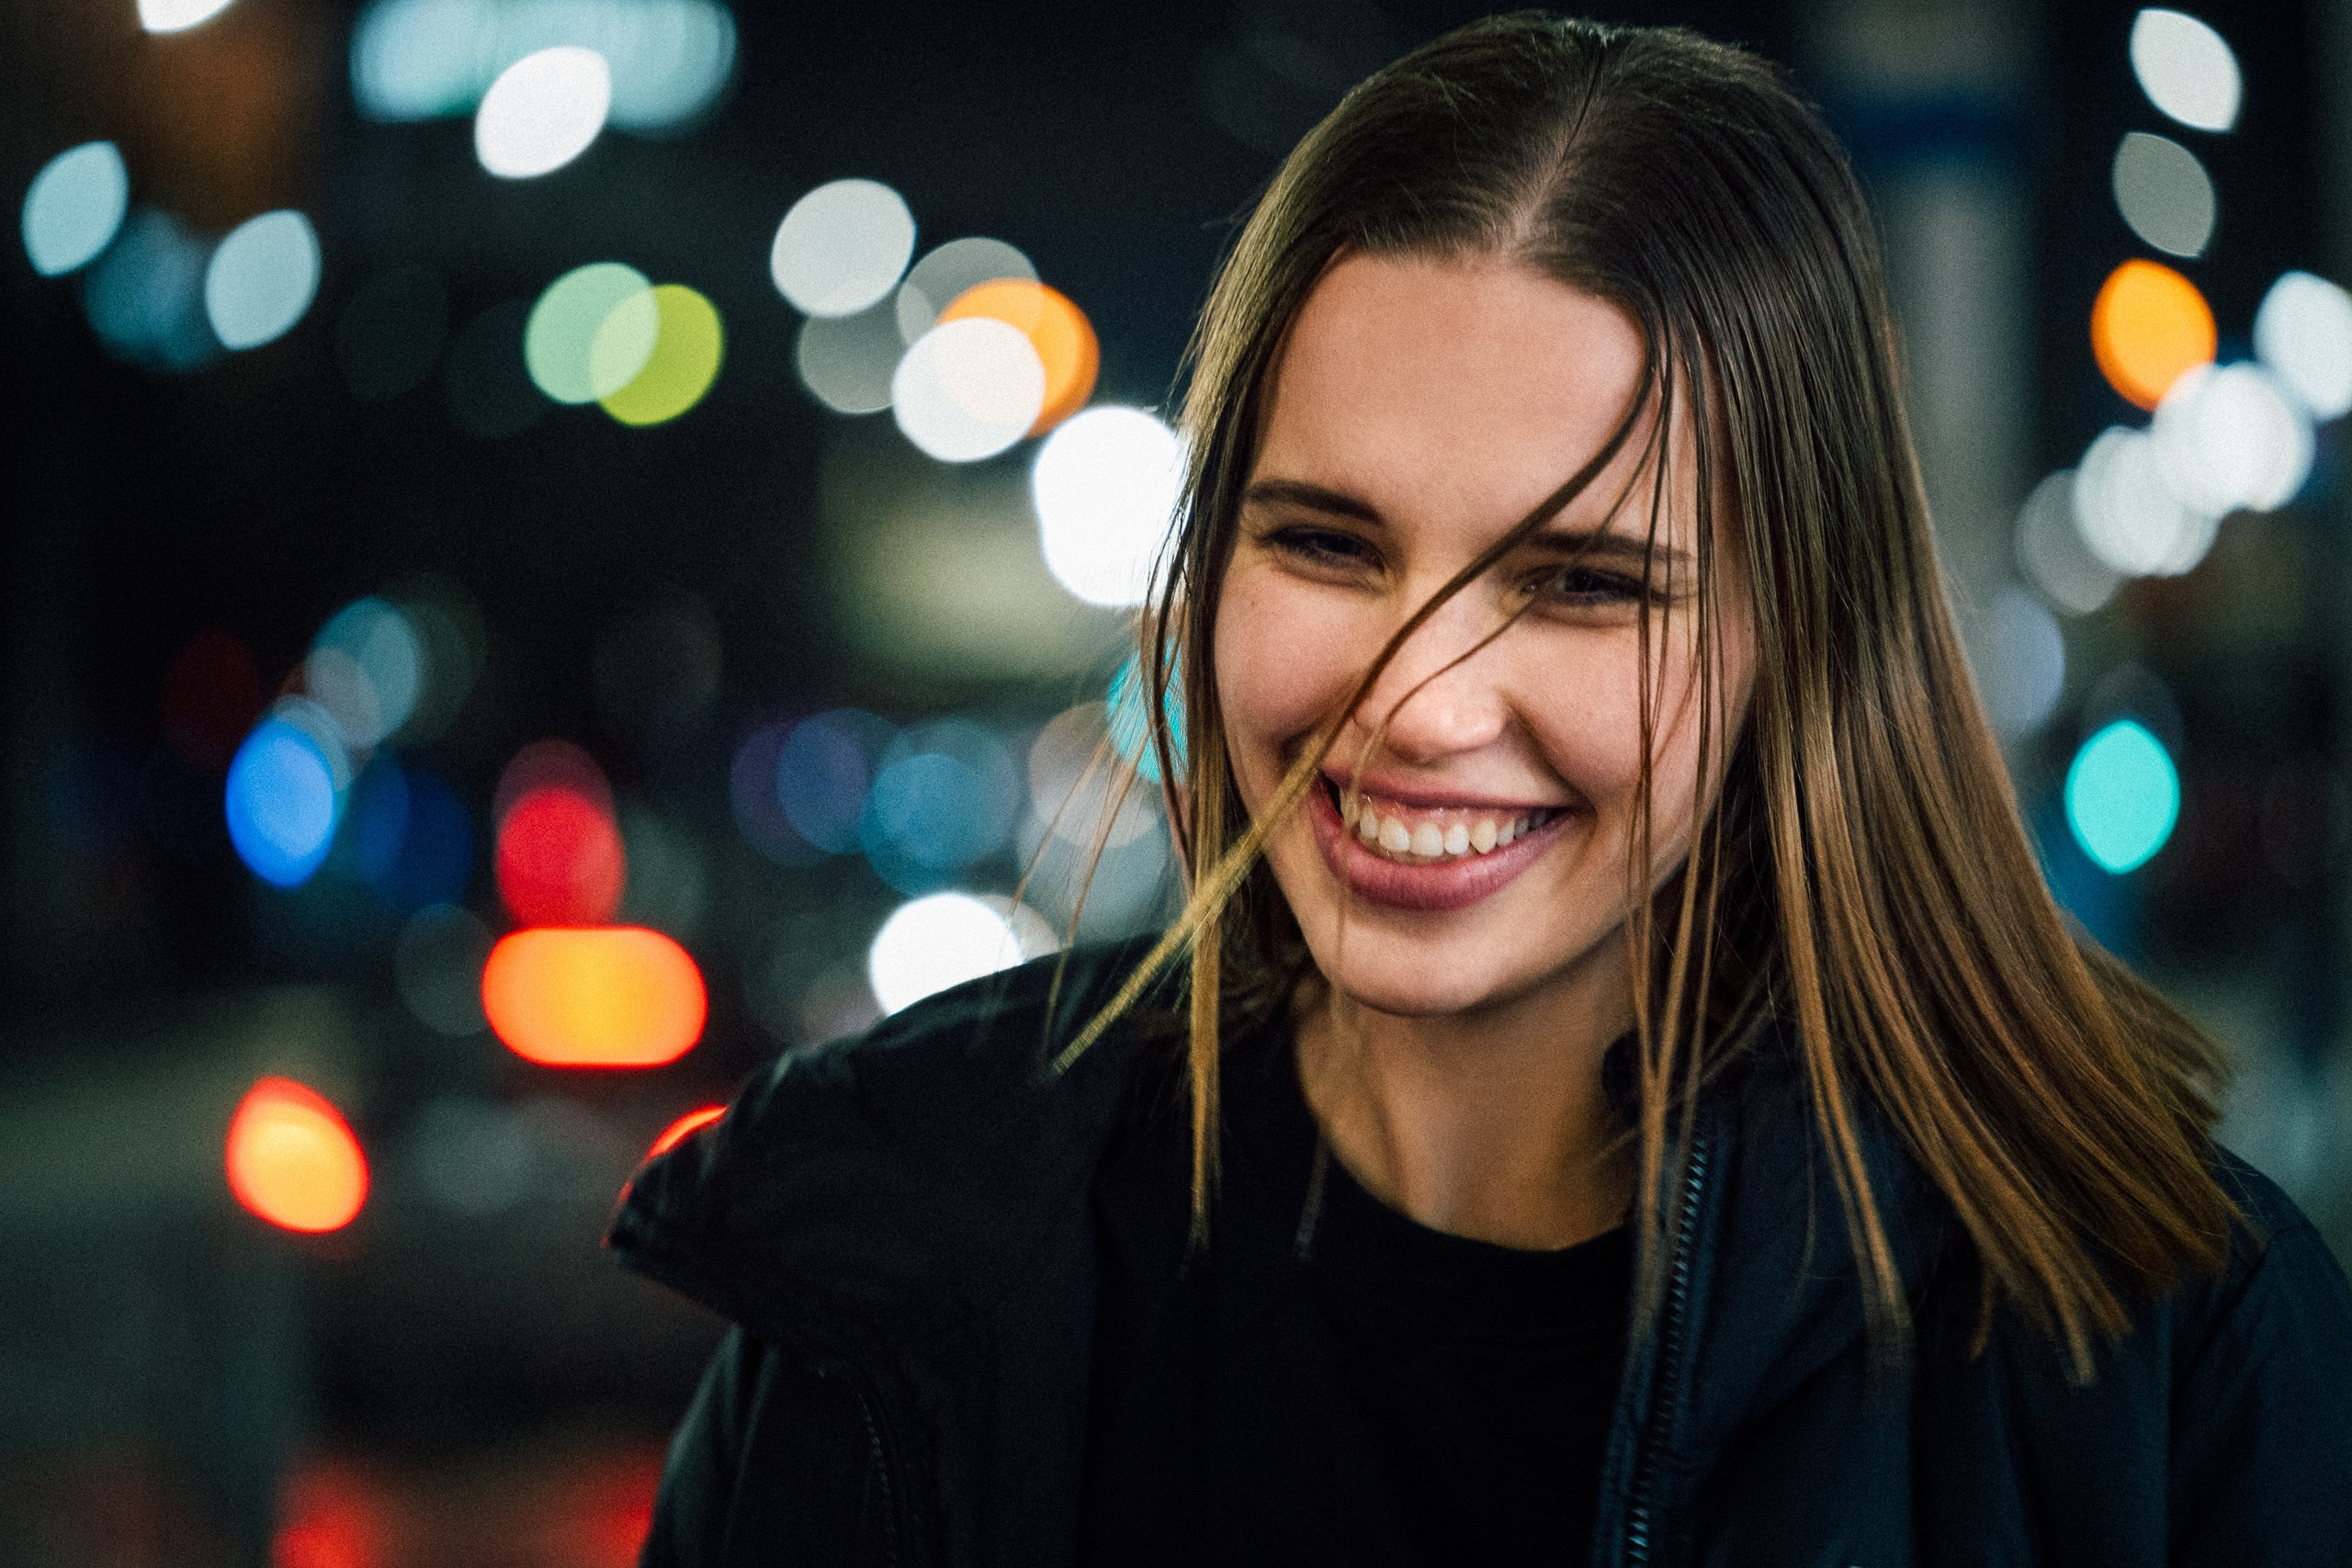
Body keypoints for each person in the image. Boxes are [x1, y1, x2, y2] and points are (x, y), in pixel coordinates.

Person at [609, 15, 2352, 1566]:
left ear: (1801, 636)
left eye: (1584, 583)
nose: (1417, 703)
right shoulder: (896, 1249)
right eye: (1327, 543)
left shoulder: (2165, 1360)